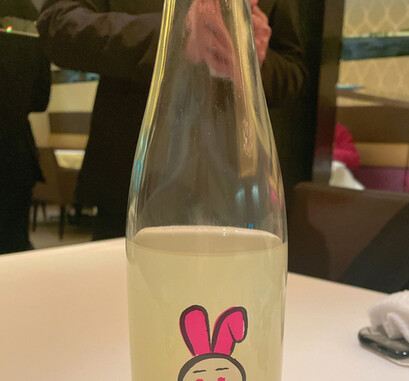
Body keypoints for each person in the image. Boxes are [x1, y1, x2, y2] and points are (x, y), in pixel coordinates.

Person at [37, 0, 306, 240]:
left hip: (241, 194)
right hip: (130, 186)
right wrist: (176, 34)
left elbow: (293, 72)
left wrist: (254, 62)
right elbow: (57, 25)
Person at [0, 27, 51, 253]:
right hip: (17, 147)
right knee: (13, 240)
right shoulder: (30, 30)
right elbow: (40, 101)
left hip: (15, 145)